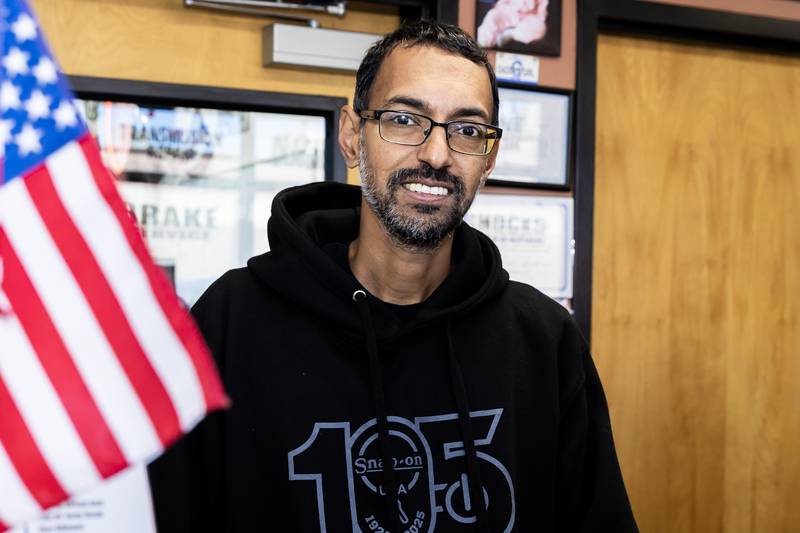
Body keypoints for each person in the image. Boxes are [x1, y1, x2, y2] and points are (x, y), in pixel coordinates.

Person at [148, 20, 637, 533]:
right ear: (352, 137)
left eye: (467, 130)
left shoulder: (542, 339)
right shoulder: (232, 322)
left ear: (488, 157)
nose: (436, 155)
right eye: (405, 120)